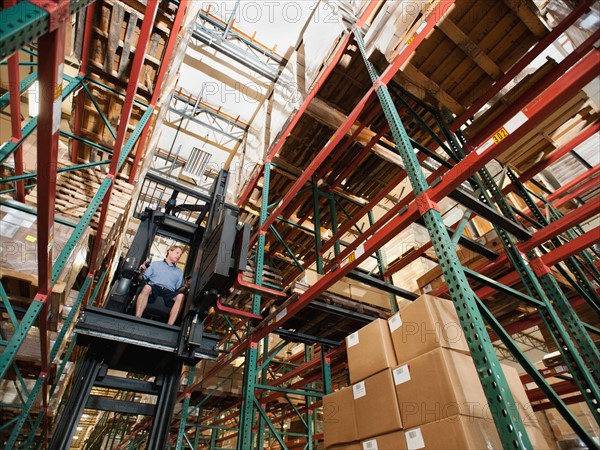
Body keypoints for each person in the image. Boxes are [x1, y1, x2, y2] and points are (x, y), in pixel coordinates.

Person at [135, 245, 186, 325]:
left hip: (169, 292)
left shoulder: (179, 272)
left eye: (180, 255)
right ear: (170, 251)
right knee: (147, 287)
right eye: (177, 253)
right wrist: (142, 270)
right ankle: (137, 318)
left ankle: (169, 326)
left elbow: (178, 288)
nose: (179, 256)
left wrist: (186, 287)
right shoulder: (155, 264)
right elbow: (142, 277)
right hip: (154, 288)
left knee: (181, 296)